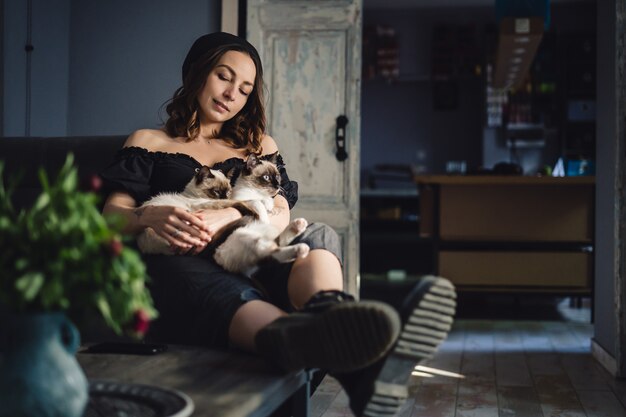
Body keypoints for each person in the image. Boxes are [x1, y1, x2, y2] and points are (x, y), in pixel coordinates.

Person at [100, 32, 456, 417]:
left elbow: (281, 209)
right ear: (197, 73)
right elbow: (110, 216)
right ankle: (365, 363)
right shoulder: (149, 141)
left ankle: (329, 314)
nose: (232, 93)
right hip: (185, 257)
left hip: (255, 245)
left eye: (245, 87)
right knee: (198, 277)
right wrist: (150, 214)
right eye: (224, 76)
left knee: (317, 233)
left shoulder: (258, 144)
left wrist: (234, 213)